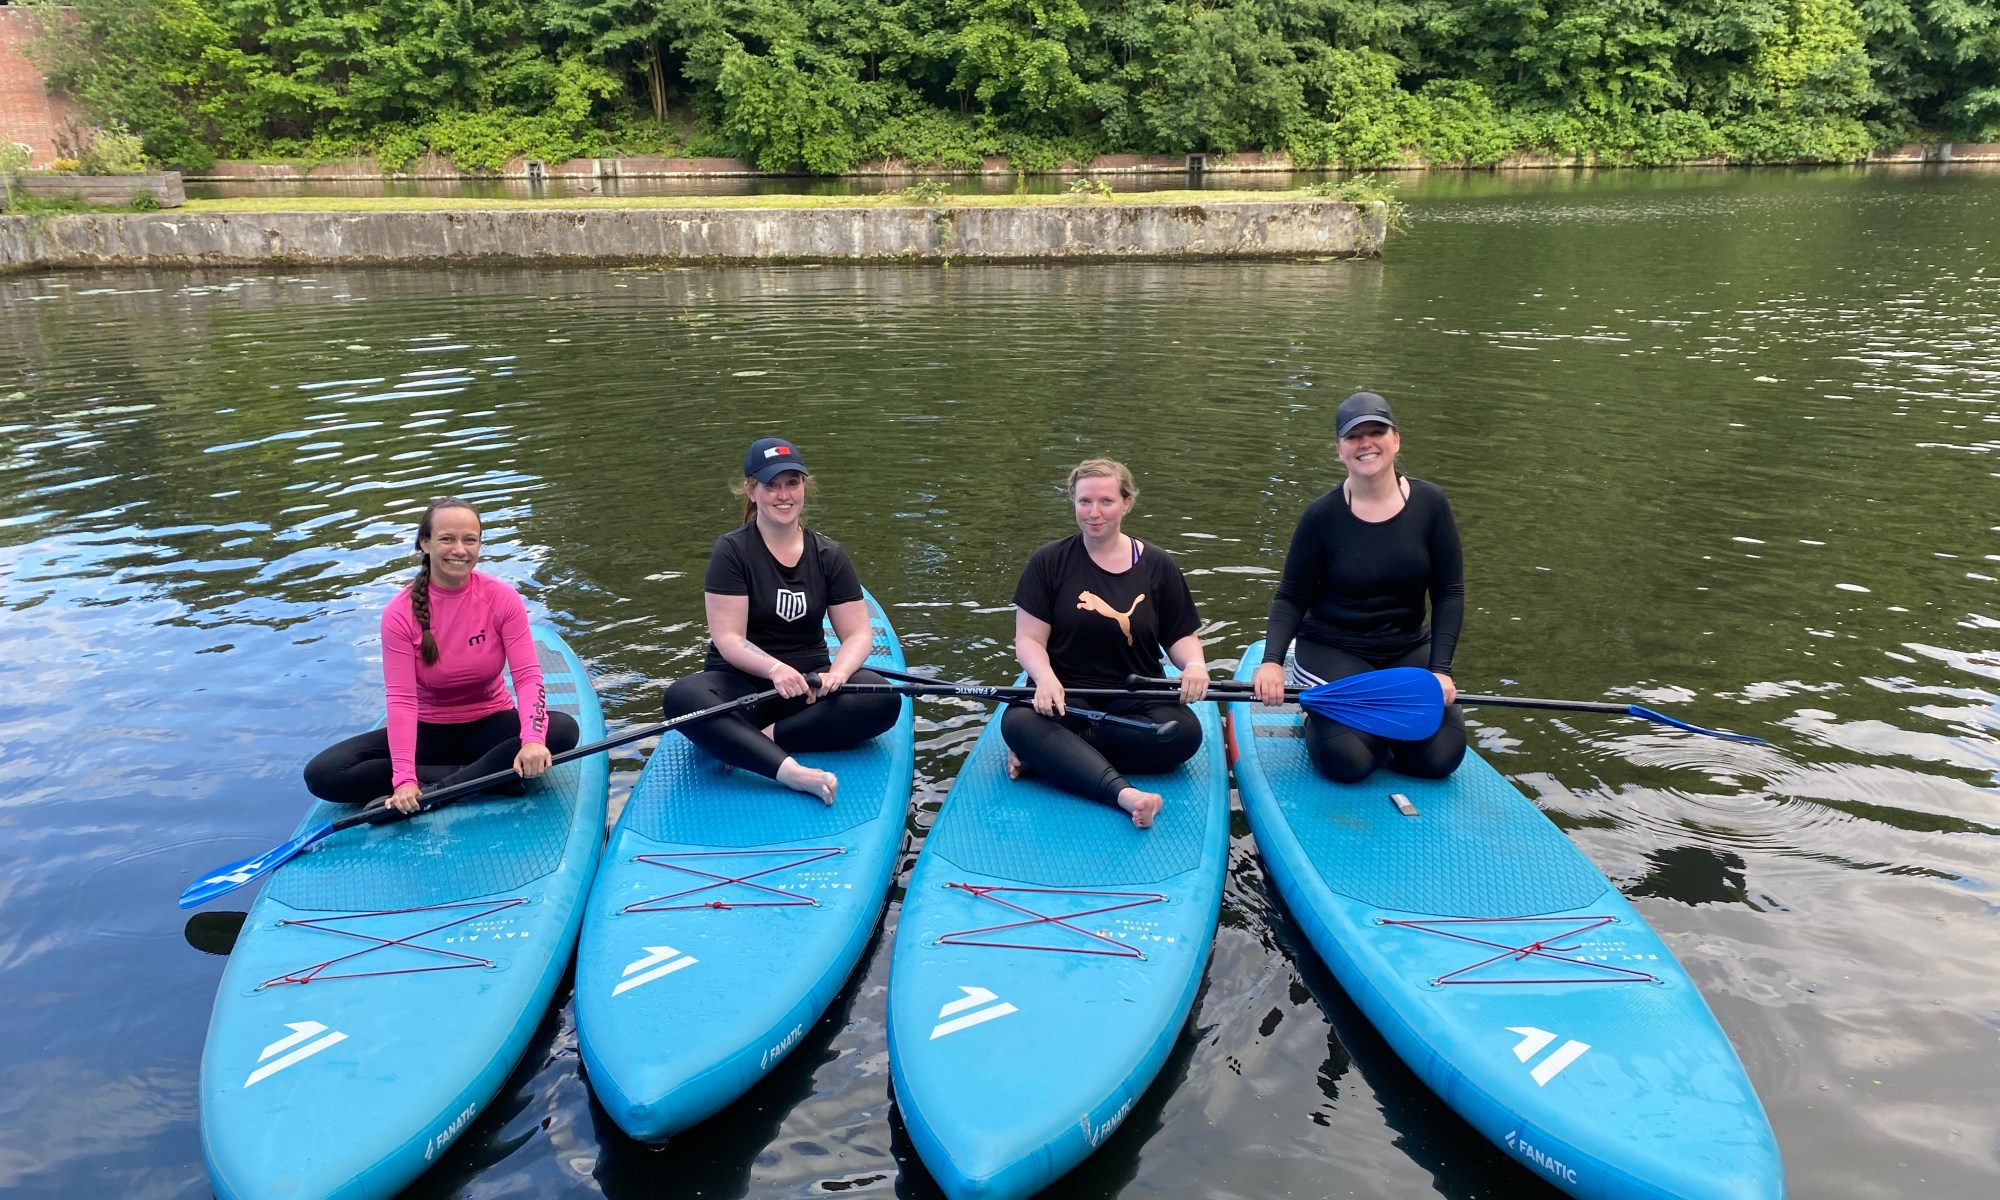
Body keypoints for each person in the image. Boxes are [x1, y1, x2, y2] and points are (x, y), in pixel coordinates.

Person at [659, 437, 901, 805]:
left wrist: (838, 673)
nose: (783, 494)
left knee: (881, 697)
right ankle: (790, 772)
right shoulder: (732, 551)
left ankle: (761, 740)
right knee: (683, 697)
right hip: (743, 688)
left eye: (792, 483)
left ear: (805, 487)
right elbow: (729, 639)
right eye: (771, 485)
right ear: (751, 490)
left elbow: (857, 633)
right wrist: (774, 669)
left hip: (808, 689)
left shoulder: (829, 554)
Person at [304, 497, 580, 813]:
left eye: (469, 540)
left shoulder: (502, 598)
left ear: (479, 545)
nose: (459, 549)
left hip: (490, 726)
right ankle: (490, 776)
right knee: (324, 773)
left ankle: (438, 792)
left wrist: (531, 739)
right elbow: (401, 700)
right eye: (447, 538)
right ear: (425, 543)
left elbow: (528, 677)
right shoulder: (399, 613)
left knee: (561, 729)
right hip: (429, 733)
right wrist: (404, 779)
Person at [1252, 391, 1466, 783]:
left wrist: (1440, 670)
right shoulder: (1321, 516)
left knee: (1439, 760)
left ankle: (1380, 727)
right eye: (1354, 436)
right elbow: (1290, 597)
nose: (1366, 443)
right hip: (1332, 648)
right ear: (1339, 450)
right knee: (1349, 762)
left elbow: (1449, 592)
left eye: (1377, 431)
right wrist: (1270, 661)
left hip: (1406, 648)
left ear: (1396, 439)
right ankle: (1320, 717)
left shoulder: (1432, 504)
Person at [1004, 459, 1209, 829]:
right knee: (1018, 722)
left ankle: (1049, 754)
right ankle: (1125, 795)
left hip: (1137, 692)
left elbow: (1181, 636)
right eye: (1085, 502)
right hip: (1065, 691)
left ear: (1126, 503)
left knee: (1185, 736)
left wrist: (1194, 665)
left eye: (1106, 502)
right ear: (1073, 502)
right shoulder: (1048, 561)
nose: (1094, 513)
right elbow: (1029, 639)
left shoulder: (1158, 565)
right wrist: (1045, 677)